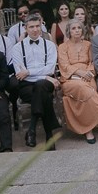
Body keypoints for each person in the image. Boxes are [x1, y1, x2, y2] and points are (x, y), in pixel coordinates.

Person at [57, 19, 98, 144]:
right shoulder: (62, 47)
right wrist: (79, 72)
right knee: (82, 88)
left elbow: (92, 63)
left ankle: (89, 128)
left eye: (79, 28)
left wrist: (88, 73)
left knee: (87, 87)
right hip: (70, 79)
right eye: (73, 28)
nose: (77, 31)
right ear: (69, 31)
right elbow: (64, 66)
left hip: (88, 76)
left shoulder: (88, 44)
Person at [10, 14, 60, 149]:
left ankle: (31, 130)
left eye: (38, 26)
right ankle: (49, 135)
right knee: (43, 95)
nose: (35, 29)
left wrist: (30, 72)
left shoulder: (50, 46)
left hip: (44, 84)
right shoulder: (17, 48)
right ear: (25, 28)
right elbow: (20, 75)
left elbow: (50, 69)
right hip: (27, 87)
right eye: (31, 27)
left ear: (41, 26)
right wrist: (44, 76)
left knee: (40, 87)